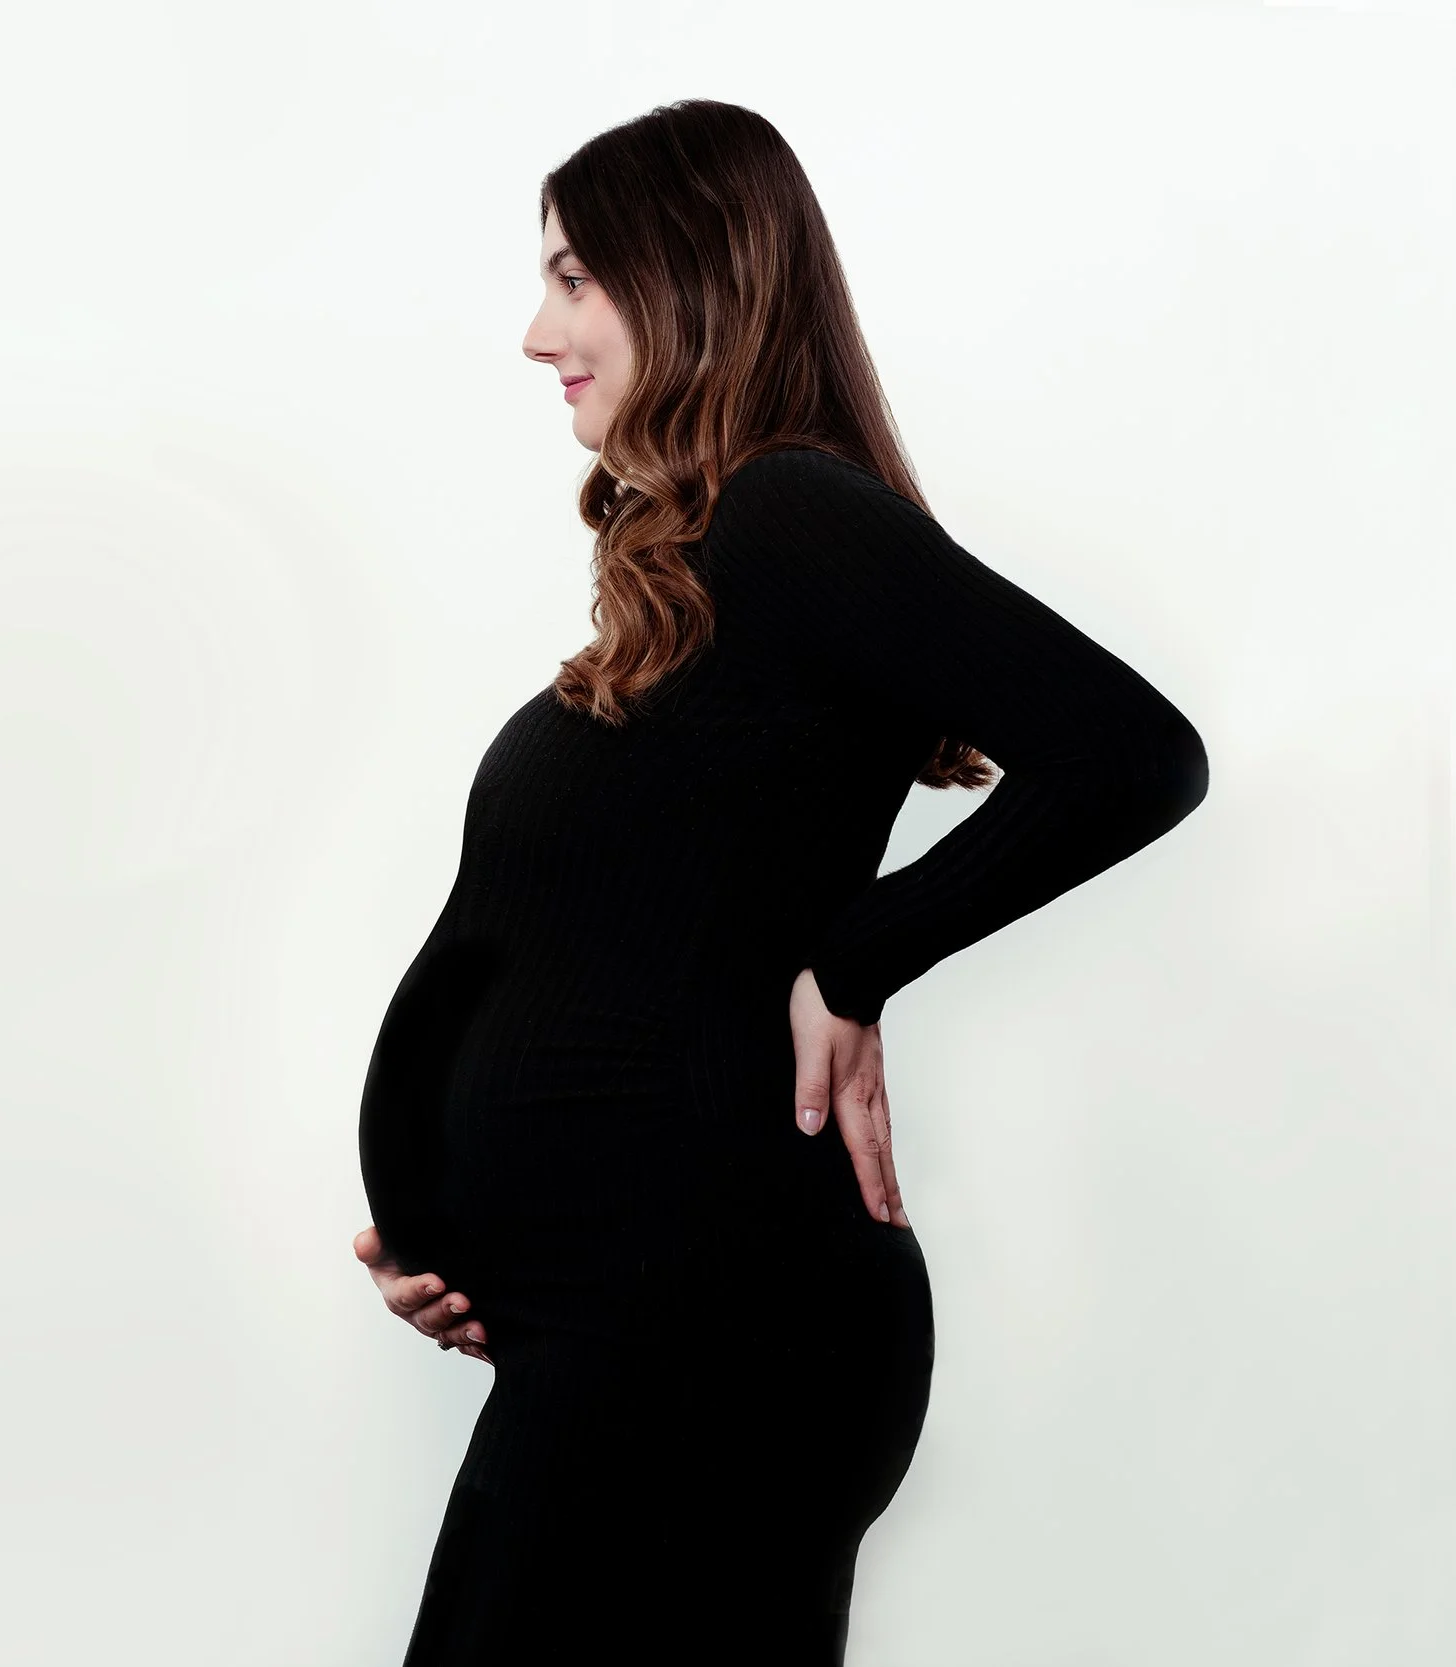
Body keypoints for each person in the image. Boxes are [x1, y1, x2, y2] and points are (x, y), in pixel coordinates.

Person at [349, 100, 1210, 1663]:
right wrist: (430, 1223)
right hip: (609, 1331)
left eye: (576, 279)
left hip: (708, 1331)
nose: (537, 329)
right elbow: (530, 943)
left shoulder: (790, 515)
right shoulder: (693, 584)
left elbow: (1134, 754)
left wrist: (857, 960)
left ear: (686, 283)